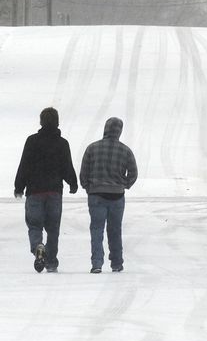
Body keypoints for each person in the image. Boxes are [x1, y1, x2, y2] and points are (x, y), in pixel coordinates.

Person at [14, 107, 78, 273]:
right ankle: (51, 262)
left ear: (41, 122)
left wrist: (19, 186)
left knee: (35, 226)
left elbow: (24, 165)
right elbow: (67, 166)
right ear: (57, 122)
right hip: (54, 192)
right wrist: (73, 183)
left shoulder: (32, 141)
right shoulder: (62, 143)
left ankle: (38, 248)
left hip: (35, 191)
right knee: (53, 228)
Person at [79, 117, 138, 273]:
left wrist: (88, 187)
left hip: (96, 194)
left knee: (96, 229)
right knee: (115, 230)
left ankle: (97, 263)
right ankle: (117, 263)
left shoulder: (92, 148)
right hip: (117, 196)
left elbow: (83, 172)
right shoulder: (125, 151)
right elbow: (133, 173)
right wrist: (124, 184)